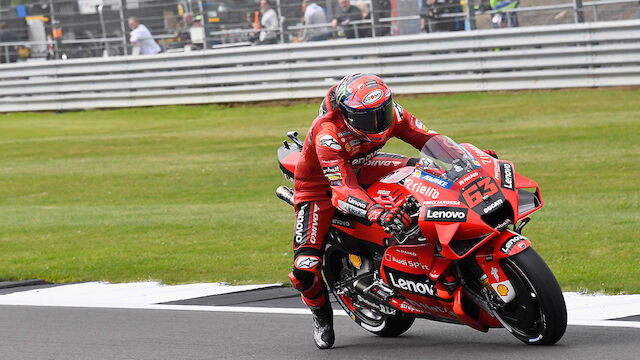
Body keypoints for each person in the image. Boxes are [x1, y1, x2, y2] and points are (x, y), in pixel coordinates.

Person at [289, 73, 439, 349]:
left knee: (431, 168)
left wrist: (466, 158)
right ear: (347, 115)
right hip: (320, 187)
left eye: (382, 111)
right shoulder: (327, 134)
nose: (379, 121)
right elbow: (342, 190)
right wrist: (378, 213)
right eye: (368, 117)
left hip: (363, 164)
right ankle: (320, 314)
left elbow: (429, 138)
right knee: (304, 269)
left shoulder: (391, 113)